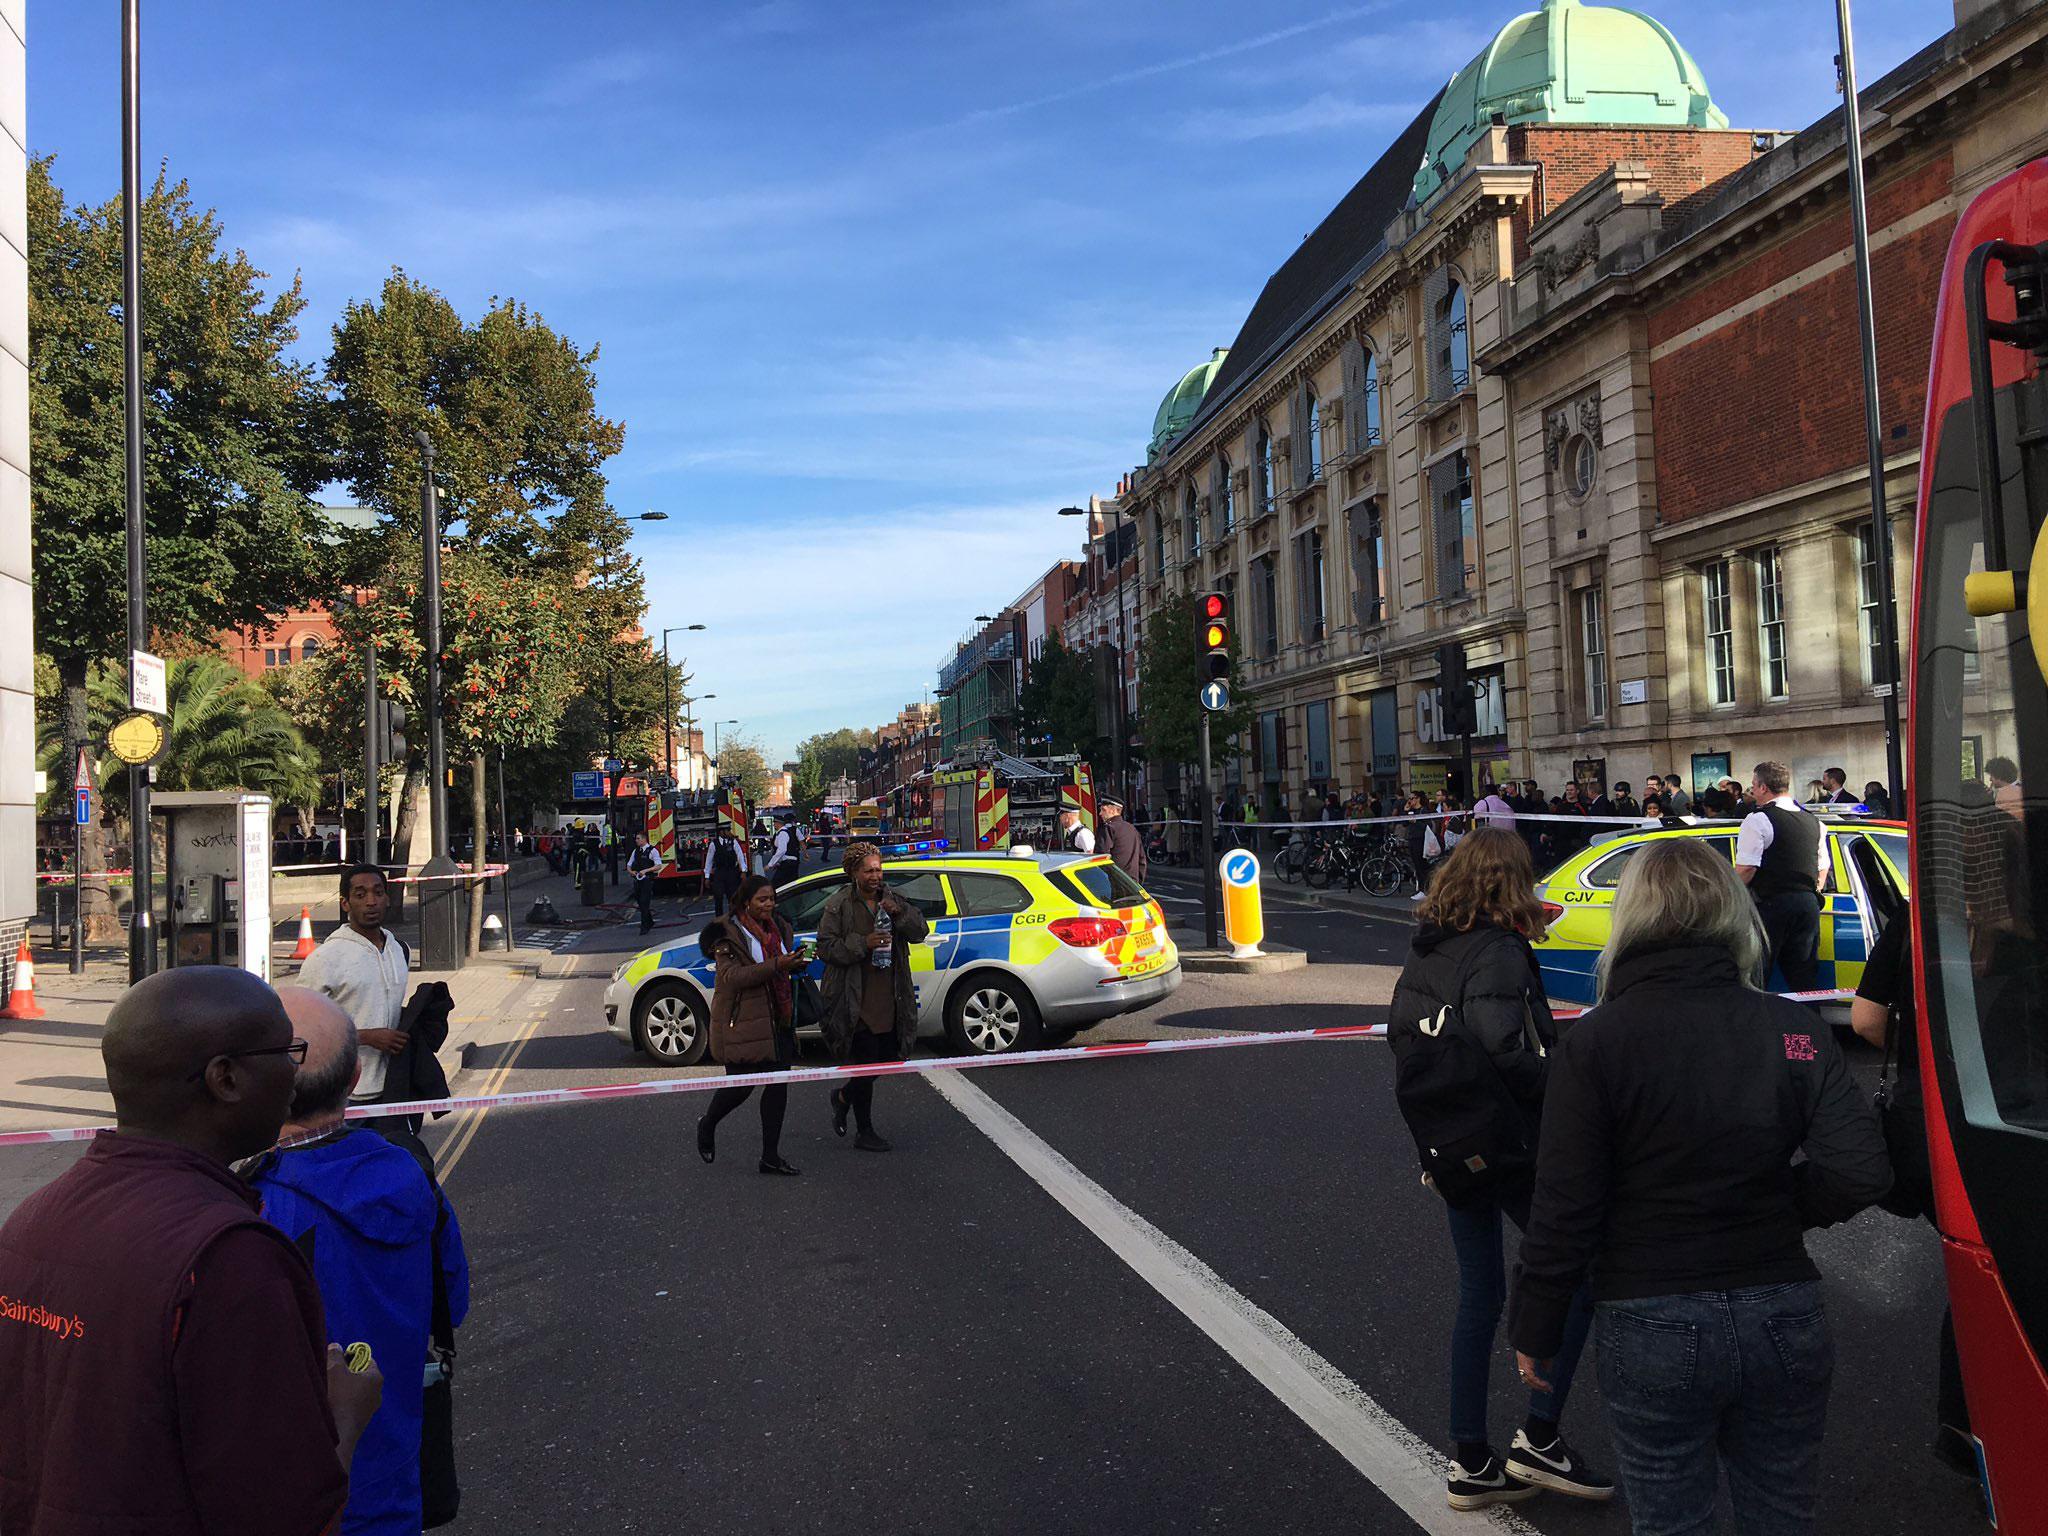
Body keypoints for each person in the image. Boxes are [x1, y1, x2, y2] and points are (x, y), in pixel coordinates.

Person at [1507, 840, 1891, 1536]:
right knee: (1781, 1511)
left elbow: (1564, 1206)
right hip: (1780, 1298)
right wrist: (1784, 1208)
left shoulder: (1596, 1043)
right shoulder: (1791, 1029)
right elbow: (1862, 1168)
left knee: (1671, 1519)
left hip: (1649, 1308)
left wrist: (1537, 1324)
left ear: (1632, 920)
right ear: (1733, 913)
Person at [0, 967, 381, 1534]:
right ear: (224, 1078)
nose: (294, 1073)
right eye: (285, 1051)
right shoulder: (232, 1260)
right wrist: (345, 1413)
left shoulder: (32, 1219)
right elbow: (286, 1514)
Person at [1386, 829, 1611, 1511]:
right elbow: (1503, 1045)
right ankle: (1540, 1438)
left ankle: (1470, 1458)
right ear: (1510, 883)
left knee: (1479, 1295)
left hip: (1450, 1138)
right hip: (1510, 1142)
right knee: (1580, 1274)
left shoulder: (1431, 945)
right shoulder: (1500, 951)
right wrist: (1563, 1081)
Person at [249, 988, 471, 1536]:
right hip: (395, 1482)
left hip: (298, 1498)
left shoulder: (251, 1205)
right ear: (354, 1081)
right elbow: (454, 1303)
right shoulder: (412, 1175)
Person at [1848, 902, 1975, 1481]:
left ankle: (1965, 1428)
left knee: (1976, 1273)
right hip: (2012, 1115)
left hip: (1929, 1120)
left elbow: (1867, 1020)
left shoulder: (1917, 912)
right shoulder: (2026, 906)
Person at [817, 842, 929, 1151]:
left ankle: (842, 1097)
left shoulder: (892, 899)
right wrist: (862, 943)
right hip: (856, 996)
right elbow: (825, 948)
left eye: (878, 869)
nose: (875, 876)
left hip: (889, 995)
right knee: (865, 1062)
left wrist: (900, 912)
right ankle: (864, 1131)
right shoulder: (839, 905)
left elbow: (920, 931)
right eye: (868, 871)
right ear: (853, 872)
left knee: (888, 1058)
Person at [695, 875, 808, 1175]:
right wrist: (777, 966)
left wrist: (794, 962)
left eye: (771, 898)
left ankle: (770, 1156)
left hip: (777, 1018)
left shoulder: (779, 927)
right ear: (746, 902)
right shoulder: (727, 934)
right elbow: (732, 977)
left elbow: (781, 963)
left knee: (777, 1087)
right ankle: (707, 1125)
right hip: (742, 1020)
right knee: (739, 1088)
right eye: (762, 899)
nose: (769, 904)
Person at [298, 864, 410, 1108]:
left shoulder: (399, 950)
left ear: (387, 898)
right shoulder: (325, 958)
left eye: (378, 893)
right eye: (360, 895)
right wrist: (367, 1037)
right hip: (344, 1097)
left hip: (394, 1090)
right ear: (345, 903)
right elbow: (302, 1031)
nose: (371, 901)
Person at [1734, 760, 1831, 990]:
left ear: (1763, 787)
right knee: (1804, 980)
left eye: (1754, 786)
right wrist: (1809, 893)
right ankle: (1808, 1024)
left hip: (1770, 906)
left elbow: (1747, 869)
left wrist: (1729, 895)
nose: (1754, 792)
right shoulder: (1814, 821)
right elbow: (1822, 868)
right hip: (1807, 905)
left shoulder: (1758, 819)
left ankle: (1759, 1026)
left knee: (1756, 979)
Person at [1098, 795, 1147, 883]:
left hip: (1115, 882)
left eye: (1103, 810)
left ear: (1113, 811)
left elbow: (1101, 858)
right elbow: (1142, 859)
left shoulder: (1108, 829)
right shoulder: (1132, 828)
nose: (1100, 813)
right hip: (1132, 883)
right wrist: (1138, 883)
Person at [703, 825, 746, 916]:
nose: (729, 832)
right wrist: (707, 877)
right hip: (720, 873)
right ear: (721, 832)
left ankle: (734, 917)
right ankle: (719, 919)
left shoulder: (733, 842)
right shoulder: (713, 844)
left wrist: (743, 871)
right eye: (727, 830)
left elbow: (740, 856)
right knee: (718, 897)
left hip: (731, 872)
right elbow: (709, 861)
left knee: (733, 897)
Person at [627, 829, 664, 934]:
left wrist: (646, 871)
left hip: (647, 880)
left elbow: (658, 865)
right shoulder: (636, 851)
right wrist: (631, 872)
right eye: (636, 839)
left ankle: (644, 927)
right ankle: (650, 921)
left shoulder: (652, 851)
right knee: (640, 902)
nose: (636, 841)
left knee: (644, 902)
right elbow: (629, 865)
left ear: (644, 839)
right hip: (637, 880)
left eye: (638, 839)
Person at [763, 818, 802, 887]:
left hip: (788, 863)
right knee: (789, 885)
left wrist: (770, 865)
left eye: (775, 823)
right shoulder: (782, 832)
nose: (773, 825)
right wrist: (777, 863)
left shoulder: (783, 833)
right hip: (789, 862)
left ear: (779, 823)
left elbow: (781, 850)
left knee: (776, 885)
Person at [1985, 754, 2022, 819]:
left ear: (1999, 775)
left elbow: (1998, 820)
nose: (1990, 779)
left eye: (1991, 776)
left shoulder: (2004, 793)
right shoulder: (2020, 788)